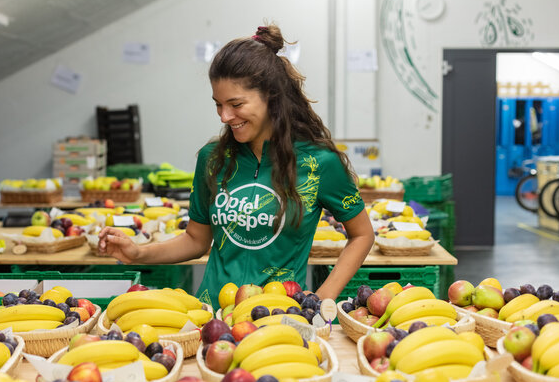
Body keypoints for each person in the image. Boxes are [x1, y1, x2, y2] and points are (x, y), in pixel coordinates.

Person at [98, 24, 375, 309]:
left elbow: (363, 234)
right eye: (218, 104)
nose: (224, 116)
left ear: (271, 97)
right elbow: (196, 239)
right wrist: (137, 253)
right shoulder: (213, 160)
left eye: (236, 104)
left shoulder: (318, 163)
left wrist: (321, 298)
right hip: (210, 314)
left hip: (278, 314)